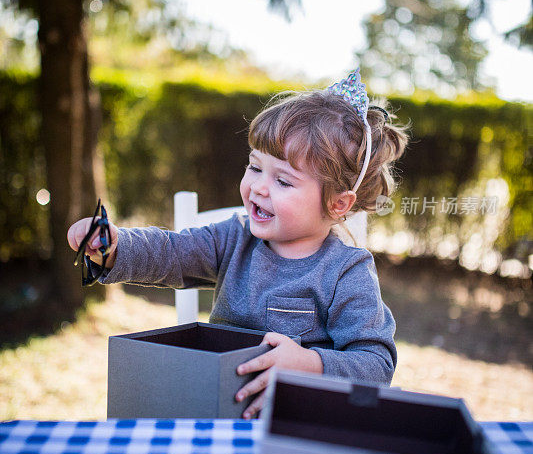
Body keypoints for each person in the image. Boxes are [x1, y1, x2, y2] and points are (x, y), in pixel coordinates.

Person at [67, 70, 408, 418]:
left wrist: (310, 362)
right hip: (217, 410)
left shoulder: (346, 271)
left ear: (338, 203)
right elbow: (171, 252)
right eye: (255, 167)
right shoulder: (232, 239)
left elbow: (375, 364)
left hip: (293, 425)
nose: (259, 187)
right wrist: (115, 247)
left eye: (283, 181)